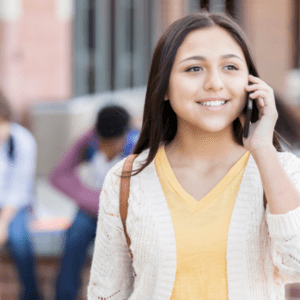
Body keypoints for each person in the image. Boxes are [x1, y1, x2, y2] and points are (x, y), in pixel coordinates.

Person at [88, 11, 300, 300]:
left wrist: (263, 150)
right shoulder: (126, 180)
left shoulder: (281, 170)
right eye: (194, 69)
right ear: (163, 87)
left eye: (230, 67)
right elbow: (106, 293)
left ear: (251, 83)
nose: (214, 82)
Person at [48, 105, 139, 300]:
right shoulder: (89, 142)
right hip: (91, 211)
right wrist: (92, 199)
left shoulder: (138, 146)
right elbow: (58, 175)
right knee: (73, 238)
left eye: (111, 144)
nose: (104, 149)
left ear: (124, 136)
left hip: (126, 213)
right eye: (102, 142)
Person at [0, 91, 40, 299]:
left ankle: (31, 293)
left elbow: (18, 190)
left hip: (16, 206)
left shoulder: (23, 141)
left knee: (19, 239)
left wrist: (3, 223)